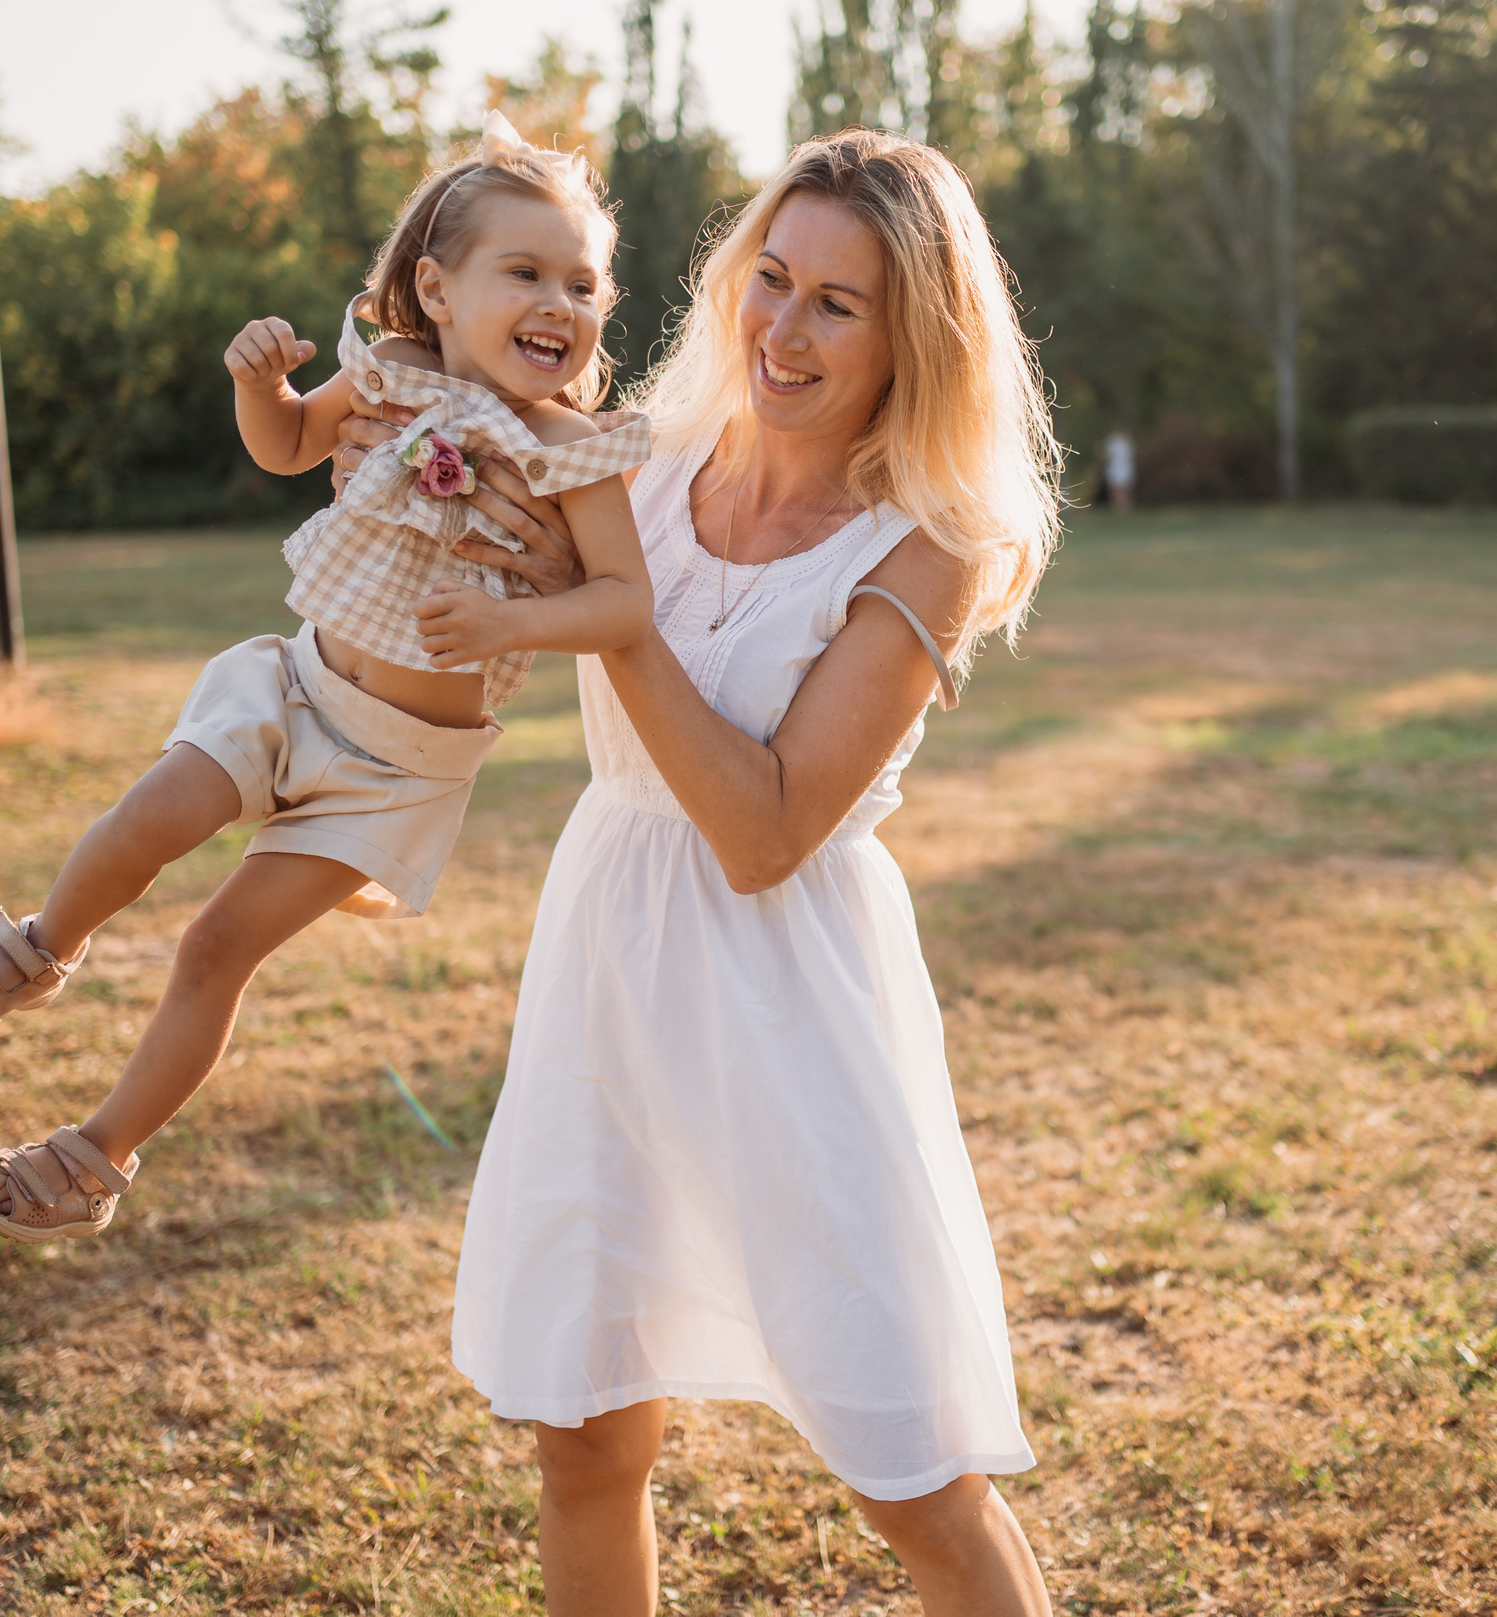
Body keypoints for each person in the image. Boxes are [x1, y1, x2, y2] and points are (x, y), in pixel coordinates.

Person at [337, 130, 1064, 1616]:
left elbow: (764, 827)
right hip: (611, 956)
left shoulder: (929, 544)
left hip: (791, 998)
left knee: (907, 1462)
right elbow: (442, 605)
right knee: (587, 1428)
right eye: (770, 280)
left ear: (912, 334)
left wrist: (614, 625)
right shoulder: (643, 461)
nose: (781, 332)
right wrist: (355, 813)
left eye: (836, 306)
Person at [0, 114, 655, 1245]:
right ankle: (36, 948)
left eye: (583, 284)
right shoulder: (389, 376)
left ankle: (90, 1157)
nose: (560, 301)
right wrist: (260, 386)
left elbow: (624, 602)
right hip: (293, 690)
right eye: (526, 272)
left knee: (218, 948)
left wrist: (516, 616)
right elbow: (290, 444)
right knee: (152, 815)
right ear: (438, 292)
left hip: (398, 774)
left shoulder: (574, 447)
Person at [1103, 426, 1136, 513]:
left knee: (1121, 488)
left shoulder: (1118, 442)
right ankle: (1119, 506)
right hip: (1119, 467)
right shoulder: (1121, 441)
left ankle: (1123, 506)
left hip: (1121, 467)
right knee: (1118, 488)